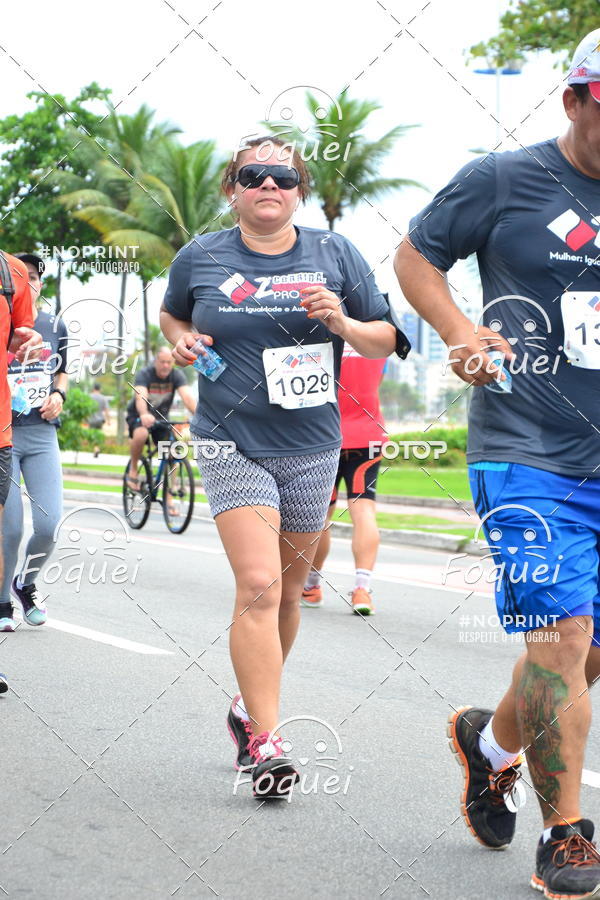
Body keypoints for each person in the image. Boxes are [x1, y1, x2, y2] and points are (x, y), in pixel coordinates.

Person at [395, 29, 600, 898]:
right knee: (563, 638)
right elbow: (416, 255)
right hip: (526, 452)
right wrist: (457, 331)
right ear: (576, 99)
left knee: (584, 655)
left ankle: (488, 746)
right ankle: (567, 837)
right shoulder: (505, 178)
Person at [160, 135, 400, 797]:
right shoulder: (201, 255)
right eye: (254, 175)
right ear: (232, 188)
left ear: (300, 191)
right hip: (229, 439)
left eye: (284, 177)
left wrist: (344, 324)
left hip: (312, 447)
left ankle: (248, 709)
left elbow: (386, 337)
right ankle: (268, 742)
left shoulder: (335, 253)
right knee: (260, 584)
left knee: (290, 594)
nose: (270, 185)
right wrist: (182, 340)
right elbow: (173, 314)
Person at [0, 252, 67, 632]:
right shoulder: (3, 318)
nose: (29, 282)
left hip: (42, 433)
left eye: (35, 277)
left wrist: (60, 394)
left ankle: (25, 584)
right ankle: (2, 603)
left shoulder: (55, 325)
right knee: (9, 530)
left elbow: (63, 371)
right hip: (6, 434)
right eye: (21, 276)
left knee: (49, 525)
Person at [301, 342, 386, 615]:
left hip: (324, 434)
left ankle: (311, 586)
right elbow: (377, 380)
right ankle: (362, 590)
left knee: (321, 516)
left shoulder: (320, 329)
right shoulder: (378, 332)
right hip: (368, 434)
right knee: (364, 511)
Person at [0, 252, 43, 657]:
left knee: (41, 526)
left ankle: (21, 587)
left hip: (11, 431)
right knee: (6, 532)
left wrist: (26, 344)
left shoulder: (10, 272)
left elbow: (17, 341)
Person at [125, 348, 196, 493]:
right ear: (155, 361)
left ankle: (169, 493)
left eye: (169, 362)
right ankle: (133, 470)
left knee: (173, 452)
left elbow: (187, 398)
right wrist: (144, 414)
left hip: (161, 419)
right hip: (139, 414)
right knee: (142, 434)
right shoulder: (145, 374)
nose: (166, 366)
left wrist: (200, 416)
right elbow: (140, 396)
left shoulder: (176, 375)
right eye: (162, 362)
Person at [88, 382, 111, 457]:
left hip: (91, 420)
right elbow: (107, 410)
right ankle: (97, 448)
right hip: (100, 420)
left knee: (92, 436)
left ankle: (95, 449)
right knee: (98, 434)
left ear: (93, 388)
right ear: (100, 389)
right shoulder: (103, 398)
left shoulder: (89, 397)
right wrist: (108, 420)